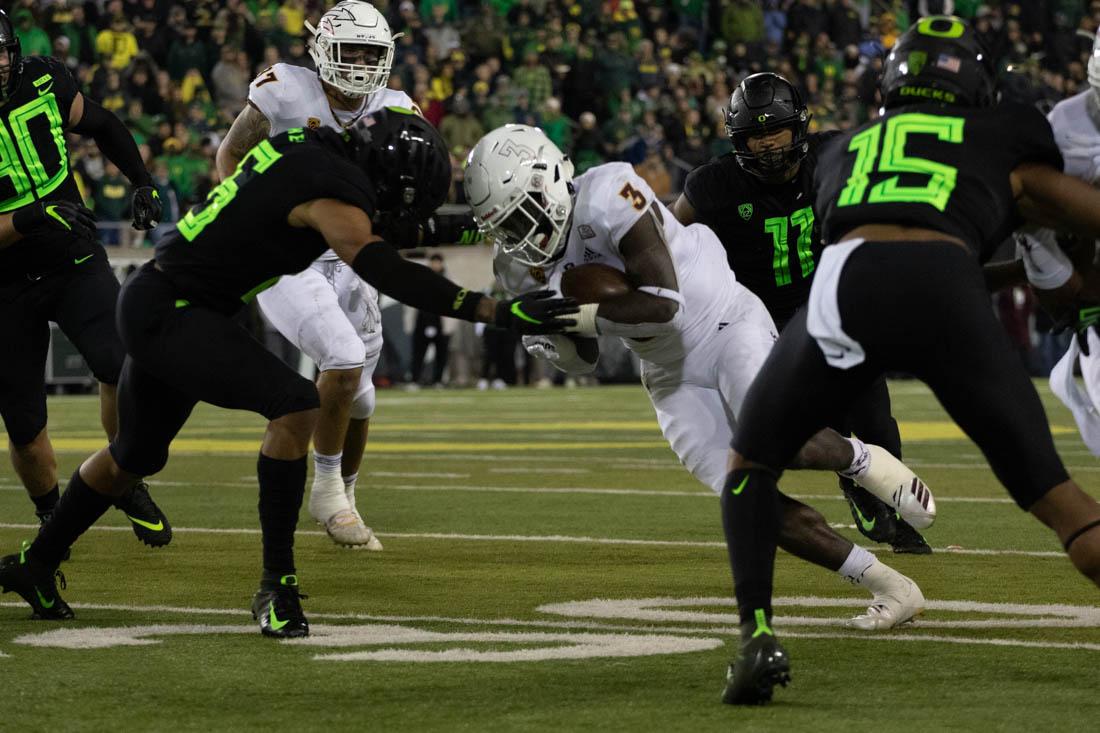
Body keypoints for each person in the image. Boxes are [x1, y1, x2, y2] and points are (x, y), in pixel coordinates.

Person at [0, 110, 577, 636]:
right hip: (175, 311)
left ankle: (36, 564)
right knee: (297, 403)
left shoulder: (315, 147)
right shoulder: (329, 188)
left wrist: (477, 229)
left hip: (165, 298)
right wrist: (492, 310)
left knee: (134, 456)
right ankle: (278, 585)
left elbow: (384, 228)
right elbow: (380, 261)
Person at [720, 16, 1100, 706]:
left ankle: (758, 637)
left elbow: (867, 228)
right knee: (1058, 500)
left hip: (847, 284)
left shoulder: (844, 149)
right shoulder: (1004, 130)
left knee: (748, 467)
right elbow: (1065, 221)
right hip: (943, 282)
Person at [468, 124, 931, 635]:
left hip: (724, 320)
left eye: (523, 215)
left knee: (775, 441)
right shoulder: (516, 265)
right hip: (667, 371)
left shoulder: (610, 191)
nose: (522, 237)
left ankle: (865, 461)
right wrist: (553, 341)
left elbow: (665, 305)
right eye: (507, 226)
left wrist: (566, 314)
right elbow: (586, 362)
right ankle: (890, 585)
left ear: (551, 180)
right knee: (747, 497)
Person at [672, 72, 929, 554]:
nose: (768, 147)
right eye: (756, 136)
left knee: (875, 411)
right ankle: (853, 475)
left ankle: (893, 510)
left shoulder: (835, 153)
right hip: (758, 318)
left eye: (776, 133)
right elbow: (664, 236)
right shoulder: (712, 185)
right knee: (814, 415)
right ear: (737, 140)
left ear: (801, 129)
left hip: (827, 299)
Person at [217, 1, 431, 549]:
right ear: (321, 50)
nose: (360, 64)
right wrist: (245, 220)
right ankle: (328, 491)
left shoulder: (395, 109)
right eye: (350, 51)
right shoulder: (286, 91)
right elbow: (231, 154)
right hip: (288, 253)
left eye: (371, 54)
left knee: (361, 399)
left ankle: (347, 495)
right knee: (342, 357)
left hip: (353, 257)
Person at [0, 9, 169, 549]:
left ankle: (122, 477)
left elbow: (100, 123)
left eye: (3, 52)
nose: (0, 64)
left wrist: (141, 179)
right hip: (3, 284)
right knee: (25, 427)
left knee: (122, 366)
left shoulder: (42, 78)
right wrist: (30, 217)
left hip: (71, 257)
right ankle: (53, 519)